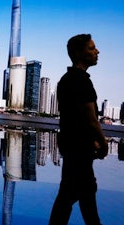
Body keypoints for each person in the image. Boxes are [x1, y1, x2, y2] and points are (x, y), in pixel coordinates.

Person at [49, 34, 108, 225]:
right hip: (79, 148)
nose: (97, 51)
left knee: (80, 193)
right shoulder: (81, 81)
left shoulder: (65, 80)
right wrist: (103, 143)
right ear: (77, 53)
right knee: (72, 195)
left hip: (71, 144)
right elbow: (90, 119)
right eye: (92, 48)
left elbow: (74, 118)